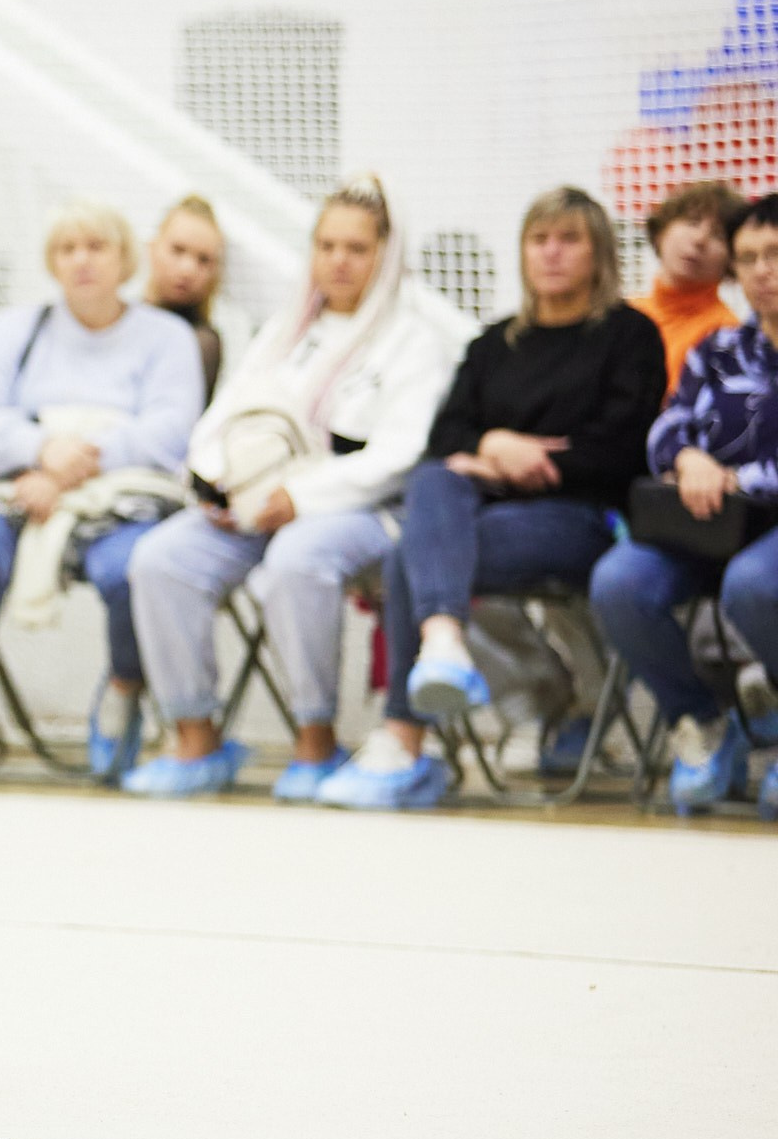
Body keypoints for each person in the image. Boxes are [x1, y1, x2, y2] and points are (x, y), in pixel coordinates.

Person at [318, 186, 663, 810]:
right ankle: (441, 653)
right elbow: (445, 439)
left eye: (568, 239)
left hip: (584, 516)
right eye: (539, 239)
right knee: (429, 490)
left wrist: (532, 460)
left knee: (414, 555)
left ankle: (405, 740)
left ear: (599, 252)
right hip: (490, 513)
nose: (552, 253)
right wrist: (499, 443)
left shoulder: (629, 335)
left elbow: (626, 447)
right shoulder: (494, 343)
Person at [121, 175, 465, 799]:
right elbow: (224, 417)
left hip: (362, 510)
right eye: (326, 245)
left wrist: (300, 499)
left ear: (385, 255)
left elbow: (396, 457)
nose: (338, 260)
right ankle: (196, 739)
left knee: (296, 560)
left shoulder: (414, 343)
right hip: (258, 504)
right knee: (161, 558)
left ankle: (316, 742)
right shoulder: (285, 330)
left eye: (356, 249)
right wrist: (214, 484)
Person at [0, 200, 205, 788]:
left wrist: (71, 466)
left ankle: (124, 690)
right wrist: (41, 449)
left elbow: (172, 433)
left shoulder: (167, 337)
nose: (81, 261)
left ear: (125, 258)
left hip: (121, 498)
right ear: (52, 261)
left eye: (96, 247)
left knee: (128, 570)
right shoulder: (15, 330)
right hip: (22, 485)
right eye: (67, 249)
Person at [590, 189, 778, 818]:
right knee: (618, 582)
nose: (759, 271)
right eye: (748, 257)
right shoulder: (719, 349)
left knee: (752, 586)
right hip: (705, 524)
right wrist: (688, 461)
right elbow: (666, 428)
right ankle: (701, 724)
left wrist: (737, 477)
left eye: (774, 254)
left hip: (762, 530)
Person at [629, 179, 746, 394]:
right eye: (692, 222)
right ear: (662, 230)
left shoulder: (725, 334)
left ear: (732, 260)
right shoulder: (625, 313)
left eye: (718, 234)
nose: (700, 239)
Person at [144, 194, 229, 399]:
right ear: (153, 248)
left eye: (203, 260)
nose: (188, 269)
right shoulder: (121, 317)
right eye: (177, 250)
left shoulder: (202, 342)